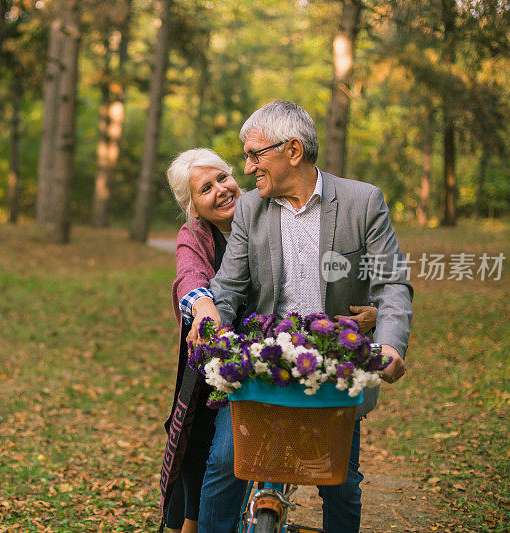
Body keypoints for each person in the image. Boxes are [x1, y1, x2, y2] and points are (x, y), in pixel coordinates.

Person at [190, 100, 412, 533]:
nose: (248, 166)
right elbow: (230, 287)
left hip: (333, 363)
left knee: (342, 485)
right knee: (221, 464)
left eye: (256, 154)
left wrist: (389, 344)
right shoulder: (252, 209)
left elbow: (391, 282)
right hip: (263, 361)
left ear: (293, 150)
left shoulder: (362, 202)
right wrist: (212, 323)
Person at [158, 148, 378, 533]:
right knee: (219, 460)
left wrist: (374, 310)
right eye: (205, 189)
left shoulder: (271, 207)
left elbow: (338, 271)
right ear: (192, 207)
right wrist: (204, 304)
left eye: (222, 178)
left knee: (341, 477)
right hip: (243, 360)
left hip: (305, 348)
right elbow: (190, 277)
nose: (221, 190)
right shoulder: (196, 234)